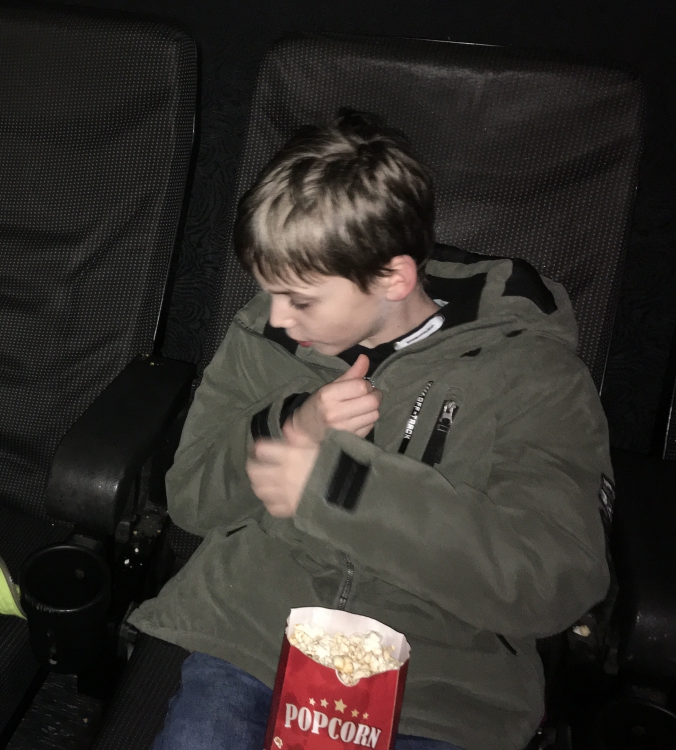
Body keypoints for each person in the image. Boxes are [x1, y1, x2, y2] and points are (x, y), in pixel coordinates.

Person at [129, 109, 612, 750]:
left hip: (439, 685)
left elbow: (555, 581)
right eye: (270, 291)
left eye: (301, 299)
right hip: (254, 638)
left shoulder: (530, 371)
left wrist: (342, 487)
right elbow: (190, 499)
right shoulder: (266, 333)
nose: (278, 318)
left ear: (392, 277)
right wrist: (288, 423)